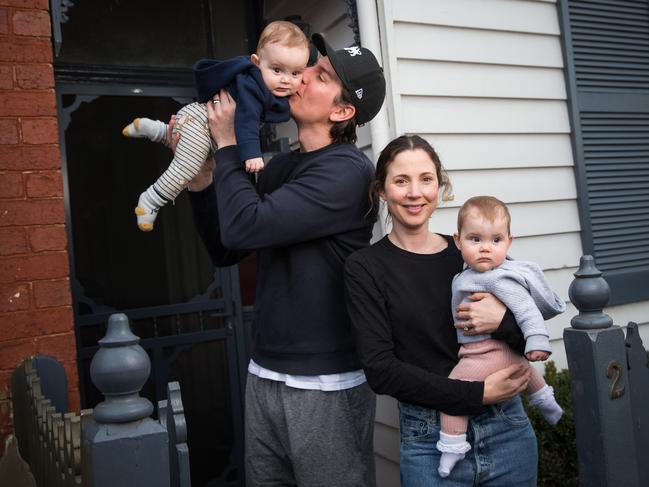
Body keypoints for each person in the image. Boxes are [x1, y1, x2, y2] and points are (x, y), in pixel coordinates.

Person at [186, 32, 386, 486]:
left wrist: (228, 145)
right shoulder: (279, 167)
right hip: (265, 371)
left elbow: (246, 225)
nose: (301, 76)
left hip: (324, 383)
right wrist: (202, 182)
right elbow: (226, 246)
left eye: (321, 75)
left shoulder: (348, 173)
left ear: (342, 111)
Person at [344, 135, 538, 486]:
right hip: (429, 439)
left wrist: (502, 320)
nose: (415, 192)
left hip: (505, 427)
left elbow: (532, 334)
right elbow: (381, 370)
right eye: (401, 181)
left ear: (439, 186)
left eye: (426, 179)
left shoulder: (471, 253)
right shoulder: (365, 267)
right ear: (382, 191)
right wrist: (475, 394)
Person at [122, 20, 310, 231]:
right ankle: (151, 200)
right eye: (277, 70)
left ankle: (156, 130)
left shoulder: (260, 86)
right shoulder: (252, 88)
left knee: (193, 150)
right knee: (187, 166)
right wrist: (252, 153)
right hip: (202, 123)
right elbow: (247, 121)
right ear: (256, 63)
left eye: (296, 74)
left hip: (199, 124)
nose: (287, 80)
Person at [437, 195, 565, 478]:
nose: (485, 248)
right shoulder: (468, 274)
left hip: (485, 353)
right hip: (505, 351)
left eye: (496, 240)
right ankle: (547, 402)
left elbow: (526, 310)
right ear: (458, 241)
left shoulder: (499, 278)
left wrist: (538, 341)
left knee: (453, 391)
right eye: (475, 239)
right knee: (522, 368)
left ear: (509, 242)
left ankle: (452, 445)